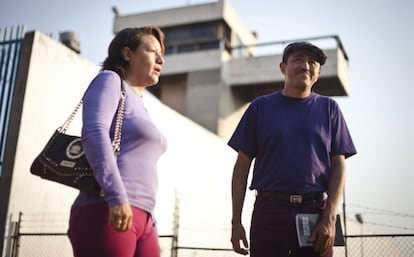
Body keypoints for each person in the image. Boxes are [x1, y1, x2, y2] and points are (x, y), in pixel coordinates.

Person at [228, 41, 356, 257]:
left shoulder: (330, 109)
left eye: (312, 62)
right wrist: (236, 221)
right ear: (282, 68)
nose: (306, 65)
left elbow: (339, 166)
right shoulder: (260, 107)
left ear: (318, 73)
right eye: (298, 59)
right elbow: (241, 167)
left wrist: (330, 216)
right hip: (268, 211)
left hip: (315, 211)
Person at [67, 26, 167, 257]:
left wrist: (150, 223)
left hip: (144, 218)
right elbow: (94, 132)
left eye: (162, 53)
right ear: (127, 53)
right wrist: (116, 197)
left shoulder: (140, 104)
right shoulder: (110, 80)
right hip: (107, 207)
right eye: (152, 51)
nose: (161, 58)